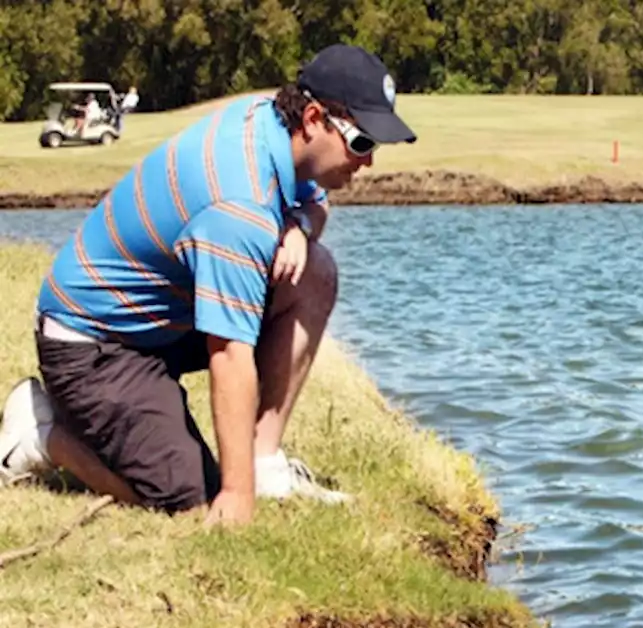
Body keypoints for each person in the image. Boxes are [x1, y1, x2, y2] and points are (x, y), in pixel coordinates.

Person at [0, 44, 417, 526]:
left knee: (314, 271)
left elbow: (315, 199)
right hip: (93, 345)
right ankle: (40, 434)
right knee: (190, 501)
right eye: (361, 143)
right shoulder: (238, 207)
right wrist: (236, 499)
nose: (368, 163)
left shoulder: (271, 123)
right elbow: (229, 355)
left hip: (161, 320)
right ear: (313, 118)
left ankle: (264, 465)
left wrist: (299, 227)